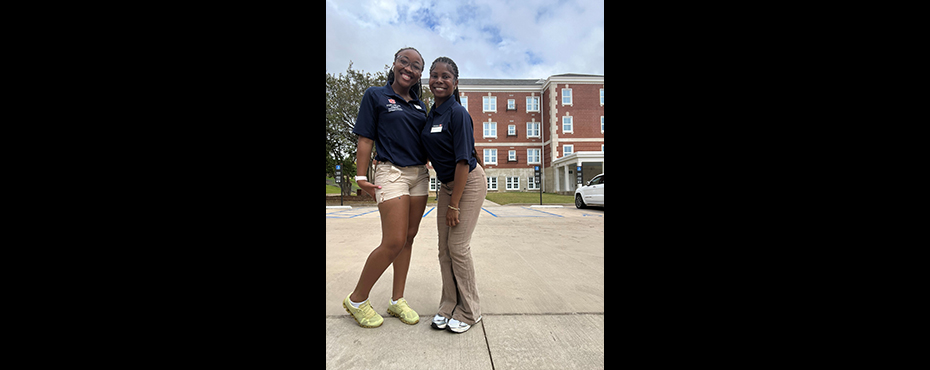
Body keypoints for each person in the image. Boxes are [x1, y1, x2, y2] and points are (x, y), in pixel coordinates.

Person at [343, 47, 430, 328]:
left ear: (419, 75)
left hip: (419, 175)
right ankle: (357, 299)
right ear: (394, 64)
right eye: (404, 62)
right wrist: (360, 178)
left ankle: (397, 301)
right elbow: (366, 139)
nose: (409, 68)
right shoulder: (375, 95)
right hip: (390, 172)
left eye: (416, 66)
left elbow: (426, 140)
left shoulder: (420, 105)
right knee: (393, 240)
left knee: (409, 238)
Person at [420, 56, 486, 334]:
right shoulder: (431, 114)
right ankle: (449, 304)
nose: (439, 80)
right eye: (434, 75)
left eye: (445, 76)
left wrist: (455, 205)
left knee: (458, 248)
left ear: (455, 82)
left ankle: (470, 311)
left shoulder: (457, 113)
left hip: (467, 183)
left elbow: (462, 161)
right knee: (444, 250)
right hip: (446, 185)